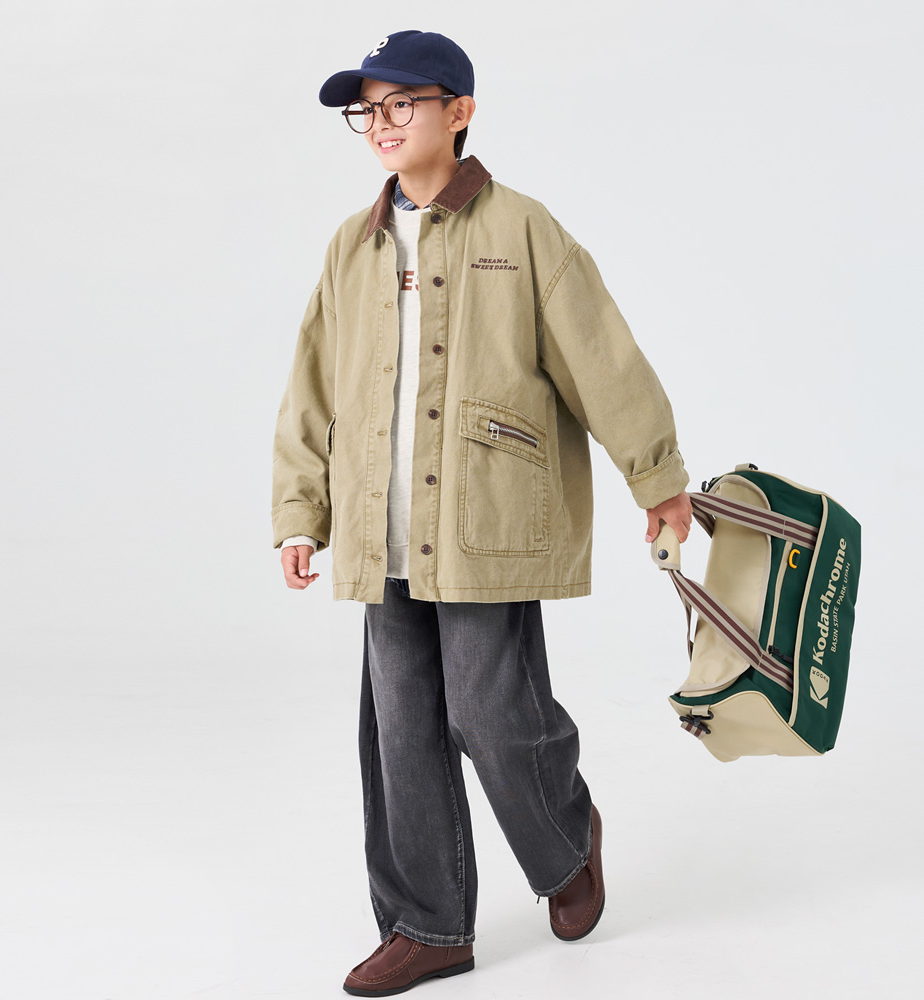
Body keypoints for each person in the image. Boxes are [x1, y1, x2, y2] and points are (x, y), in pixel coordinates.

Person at [271, 29, 693, 997]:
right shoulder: (351, 245)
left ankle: (564, 840)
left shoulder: (524, 230)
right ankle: (426, 926)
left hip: (483, 516)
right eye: (367, 110)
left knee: (493, 713)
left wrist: (656, 475)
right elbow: (311, 385)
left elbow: (601, 357)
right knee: (402, 733)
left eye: (401, 104)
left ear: (458, 111)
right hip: (377, 525)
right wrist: (301, 510)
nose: (382, 124)